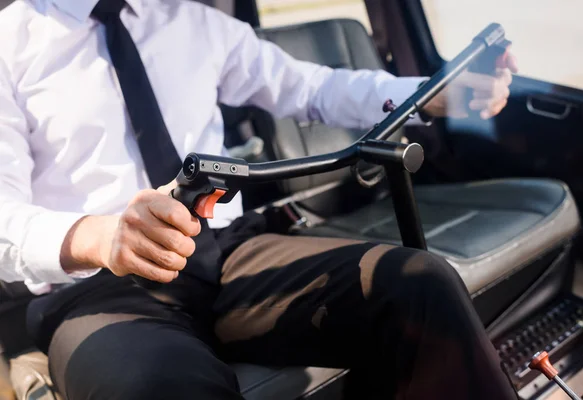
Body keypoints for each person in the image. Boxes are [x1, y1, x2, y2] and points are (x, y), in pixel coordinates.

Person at [0, 0, 520, 399]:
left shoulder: (192, 22)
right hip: (94, 289)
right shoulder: (9, 46)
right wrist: (103, 237)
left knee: (417, 281)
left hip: (224, 254)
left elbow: (315, 88)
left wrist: (428, 95)